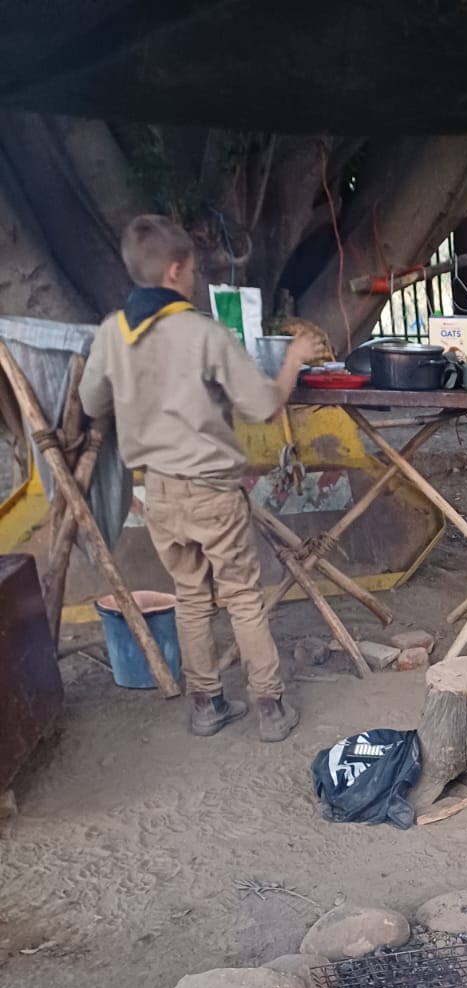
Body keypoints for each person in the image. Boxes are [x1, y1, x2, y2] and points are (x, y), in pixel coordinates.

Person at [79, 214, 322, 740]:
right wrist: (294, 361)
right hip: (213, 491)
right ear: (174, 270)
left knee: (189, 596)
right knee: (242, 596)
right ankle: (270, 708)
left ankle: (206, 705)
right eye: (191, 270)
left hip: (159, 492)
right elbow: (263, 405)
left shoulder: (112, 332)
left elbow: (91, 401)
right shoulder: (204, 333)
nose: (194, 279)